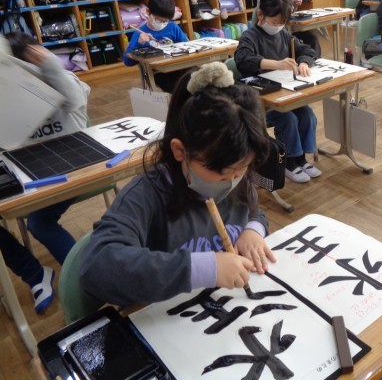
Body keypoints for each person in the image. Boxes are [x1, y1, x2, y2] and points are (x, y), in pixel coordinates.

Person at [79, 62, 276, 306]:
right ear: (180, 151)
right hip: (167, 314)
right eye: (223, 174)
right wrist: (203, 268)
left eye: (242, 169)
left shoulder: (234, 172)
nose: (233, 181)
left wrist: (254, 229)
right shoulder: (147, 194)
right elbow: (96, 268)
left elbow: (253, 210)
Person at [0, 32, 90, 313]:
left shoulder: (63, 78)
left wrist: (49, 65)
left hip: (75, 165)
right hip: (33, 170)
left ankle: (85, 277)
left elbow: (75, 100)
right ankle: (35, 274)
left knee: (39, 224)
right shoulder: (8, 92)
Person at [235, 0, 322, 184]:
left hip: (284, 94)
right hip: (261, 103)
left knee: (307, 114)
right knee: (288, 118)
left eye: (282, 23)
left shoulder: (283, 34)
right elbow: (242, 59)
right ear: (261, 15)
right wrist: (275, 64)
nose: (278, 27)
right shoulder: (250, 37)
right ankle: (289, 161)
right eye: (275, 22)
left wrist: (304, 62)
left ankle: (301, 159)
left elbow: (307, 50)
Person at [124, 0, 188, 93]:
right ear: (147, 11)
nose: (163, 24)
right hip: (158, 73)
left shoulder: (173, 27)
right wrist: (138, 43)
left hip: (176, 66)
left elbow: (187, 47)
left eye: (165, 21)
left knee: (195, 75)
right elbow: (127, 62)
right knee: (178, 86)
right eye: (159, 20)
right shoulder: (140, 33)